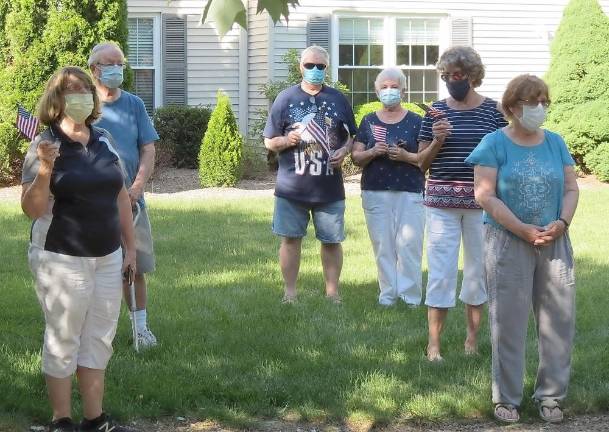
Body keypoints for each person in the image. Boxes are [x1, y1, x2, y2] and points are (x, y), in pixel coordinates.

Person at [21, 66, 136, 432]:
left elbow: (120, 195)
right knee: (64, 335)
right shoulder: (44, 145)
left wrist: (130, 249)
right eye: (71, 90)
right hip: (61, 257)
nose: (81, 95)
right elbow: (31, 209)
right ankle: (61, 419)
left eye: (85, 88)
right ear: (57, 99)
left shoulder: (103, 139)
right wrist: (44, 169)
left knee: (100, 337)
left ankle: (94, 417)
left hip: (107, 256)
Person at [466, 74, 578, 424]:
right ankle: (507, 399)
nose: (540, 109)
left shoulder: (556, 143)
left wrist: (561, 223)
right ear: (513, 106)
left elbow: (572, 188)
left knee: (558, 321)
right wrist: (522, 229)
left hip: (555, 241)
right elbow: (484, 194)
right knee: (508, 323)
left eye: (545, 102)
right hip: (507, 241)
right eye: (533, 103)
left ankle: (551, 397)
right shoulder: (493, 143)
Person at [417, 46, 507, 361]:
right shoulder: (434, 113)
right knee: (441, 272)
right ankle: (434, 346)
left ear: (471, 75)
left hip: (481, 204)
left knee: (477, 272)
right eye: (445, 76)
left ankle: (471, 341)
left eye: (456, 75)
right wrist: (438, 140)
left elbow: (503, 157)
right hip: (440, 203)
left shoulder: (494, 112)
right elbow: (420, 164)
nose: (451, 81)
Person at [264, 45, 357, 304]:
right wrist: (286, 140)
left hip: (329, 187)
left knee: (331, 241)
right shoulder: (285, 98)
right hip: (292, 187)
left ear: (327, 68)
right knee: (291, 241)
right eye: (309, 66)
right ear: (300, 67)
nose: (315, 71)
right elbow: (269, 141)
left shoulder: (338, 99)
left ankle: (332, 293)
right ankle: (290, 294)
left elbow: (351, 136)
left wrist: (344, 150)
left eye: (321, 67)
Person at [89, 42, 159, 348]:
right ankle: (96, 331)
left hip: (131, 202)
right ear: (94, 69)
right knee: (92, 270)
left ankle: (140, 330)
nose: (117, 69)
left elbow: (148, 148)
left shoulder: (134, 104)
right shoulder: (84, 106)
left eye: (120, 63)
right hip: (91, 205)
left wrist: (137, 187)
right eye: (110, 64)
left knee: (135, 266)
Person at [351, 67, 425, 307]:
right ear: (376, 91)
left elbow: (425, 159)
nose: (389, 91)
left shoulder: (416, 121)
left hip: (409, 189)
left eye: (394, 87)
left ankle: (410, 297)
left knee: (410, 245)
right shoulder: (369, 121)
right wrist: (373, 151)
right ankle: (388, 295)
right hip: (375, 189)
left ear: (403, 90)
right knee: (383, 245)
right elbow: (356, 157)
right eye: (384, 87)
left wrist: (404, 155)